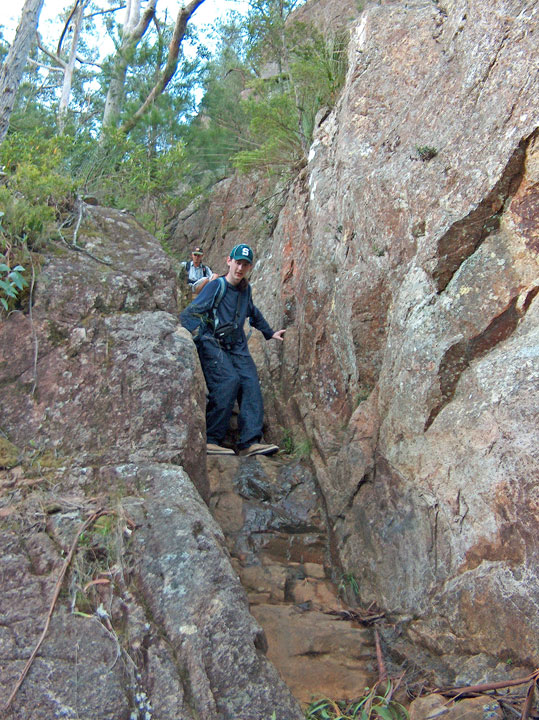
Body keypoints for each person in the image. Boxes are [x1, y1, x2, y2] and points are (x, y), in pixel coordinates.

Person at [180, 243, 285, 456]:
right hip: (213, 342)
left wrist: (269, 332)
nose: (240, 269)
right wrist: (187, 335)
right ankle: (212, 439)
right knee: (229, 381)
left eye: (245, 265)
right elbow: (191, 313)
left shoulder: (246, 291)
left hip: (236, 344)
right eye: (238, 263)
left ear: (249, 268)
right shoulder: (215, 286)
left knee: (250, 382)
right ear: (229, 261)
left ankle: (250, 442)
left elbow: (253, 313)